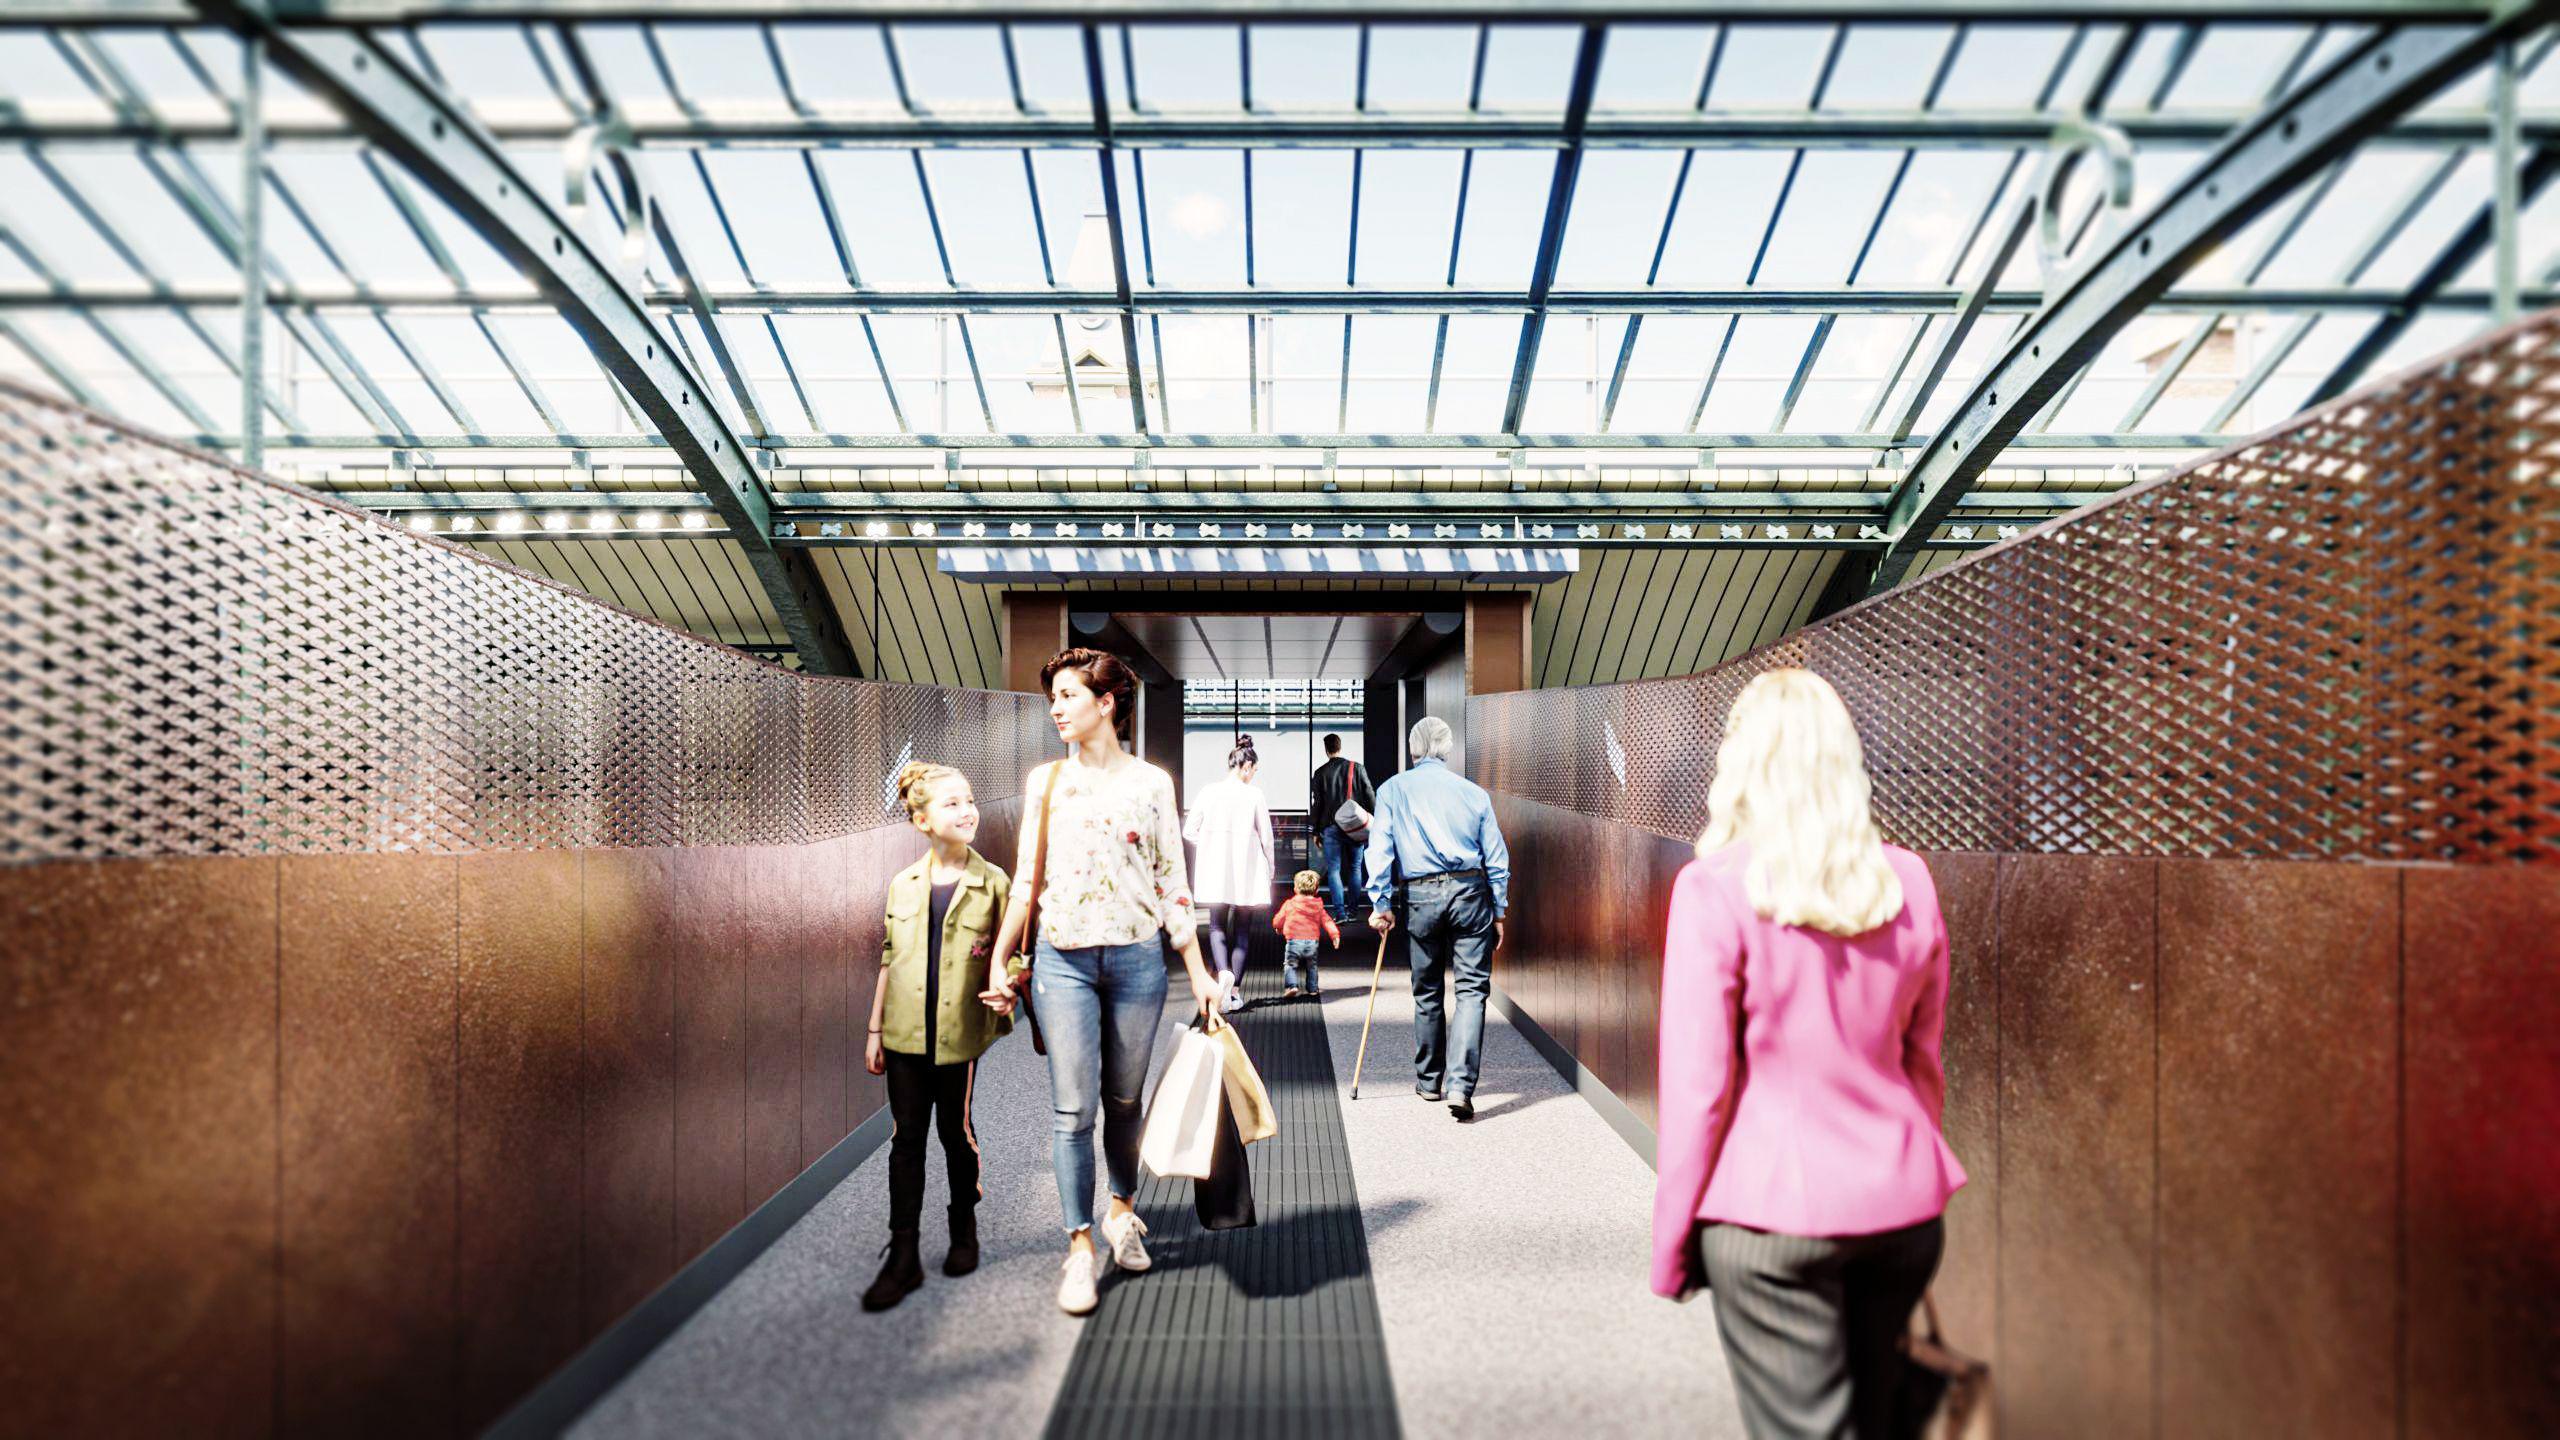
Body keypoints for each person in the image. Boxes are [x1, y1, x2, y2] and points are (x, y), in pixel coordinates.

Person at [1651, 668, 1966, 1440]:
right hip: (1901, 1213)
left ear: (1741, 766)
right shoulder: (1910, 880)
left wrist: (1672, 1245)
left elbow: (1700, 1091)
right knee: (1877, 1416)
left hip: (1770, 1222)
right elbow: (1922, 1059)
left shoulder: (1714, 888)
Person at [984, 647, 1224, 1318]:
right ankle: (1080, 1248)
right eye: (1053, 697)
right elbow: (1026, 881)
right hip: (1062, 962)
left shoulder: (1151, 784)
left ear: (1106, 703)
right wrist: (1001, 959)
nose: (1057, 708)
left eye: (1068, 695)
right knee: (1072, 1111)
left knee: (1124, 1101)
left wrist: (1199, 972)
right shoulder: (1047, 783)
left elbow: (1172, 883)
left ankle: (1122, 1213)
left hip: (1137, 962)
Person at [859, 760, 1011, 1312]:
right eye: (951, 804)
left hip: (957, 1035)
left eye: (968, 800)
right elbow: (888, 959)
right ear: (922, 820)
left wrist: (1009, 983)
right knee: (906, 1142)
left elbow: (1012, 954)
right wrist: (875, 1029)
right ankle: (904, 1257)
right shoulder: (903, 885)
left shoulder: (993, 882)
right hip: (902, 1033)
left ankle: (963, 1228)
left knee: (955, 1131)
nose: (966, 810)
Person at [1364, 716, 1509, 1123]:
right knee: (1471, 991)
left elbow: (1380, 850)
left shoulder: (1393, 789)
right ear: (1446, 749)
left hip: (1421, 895)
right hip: (1471, 892)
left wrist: (1380, 902)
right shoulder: (1473, 793)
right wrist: (1498, 908)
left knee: (1426, 990)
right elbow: (1496, 857)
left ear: (1413, 749)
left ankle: (1429, 1081)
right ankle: (1461, 1086)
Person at [1184, 737, 1275, 1014]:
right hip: (1247, 869)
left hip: (1215, 869)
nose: (1253, 775)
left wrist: (1211, 844)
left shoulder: (1208, 792)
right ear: (1247, 766)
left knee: (1216, 927)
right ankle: (1234, 992)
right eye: (1254, 770)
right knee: (1244, 931)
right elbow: (1267, 838)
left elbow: (1189, 830)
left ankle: (1222, 972)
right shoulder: (1254, 795)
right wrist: (1270, 869)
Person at [1309, 733, 1375, 921]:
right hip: (1355, 827)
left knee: (1334, 870)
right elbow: (1370, 795)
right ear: (1340, 746)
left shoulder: (1321, 773)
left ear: (1326, 749)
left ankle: (1340, 914)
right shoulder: (1357, 768)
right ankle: (1353, 912)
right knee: (1355, 868)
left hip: (1331, 828)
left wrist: (1315, 830)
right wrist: (1374, 820)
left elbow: (1318, 803)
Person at [1270, 870, 1340, 999]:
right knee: (1312, 966)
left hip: (1293, 942)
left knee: (1290, 965)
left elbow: (1278, 919)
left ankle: (1292, 986)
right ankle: (1313, 989)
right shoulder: (1318, 906)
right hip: (1312, 942)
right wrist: (1335, 935)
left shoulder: (1289, 904)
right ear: (1317, 889)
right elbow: (1327, 921)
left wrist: (1277, 928)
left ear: (1295, 888)